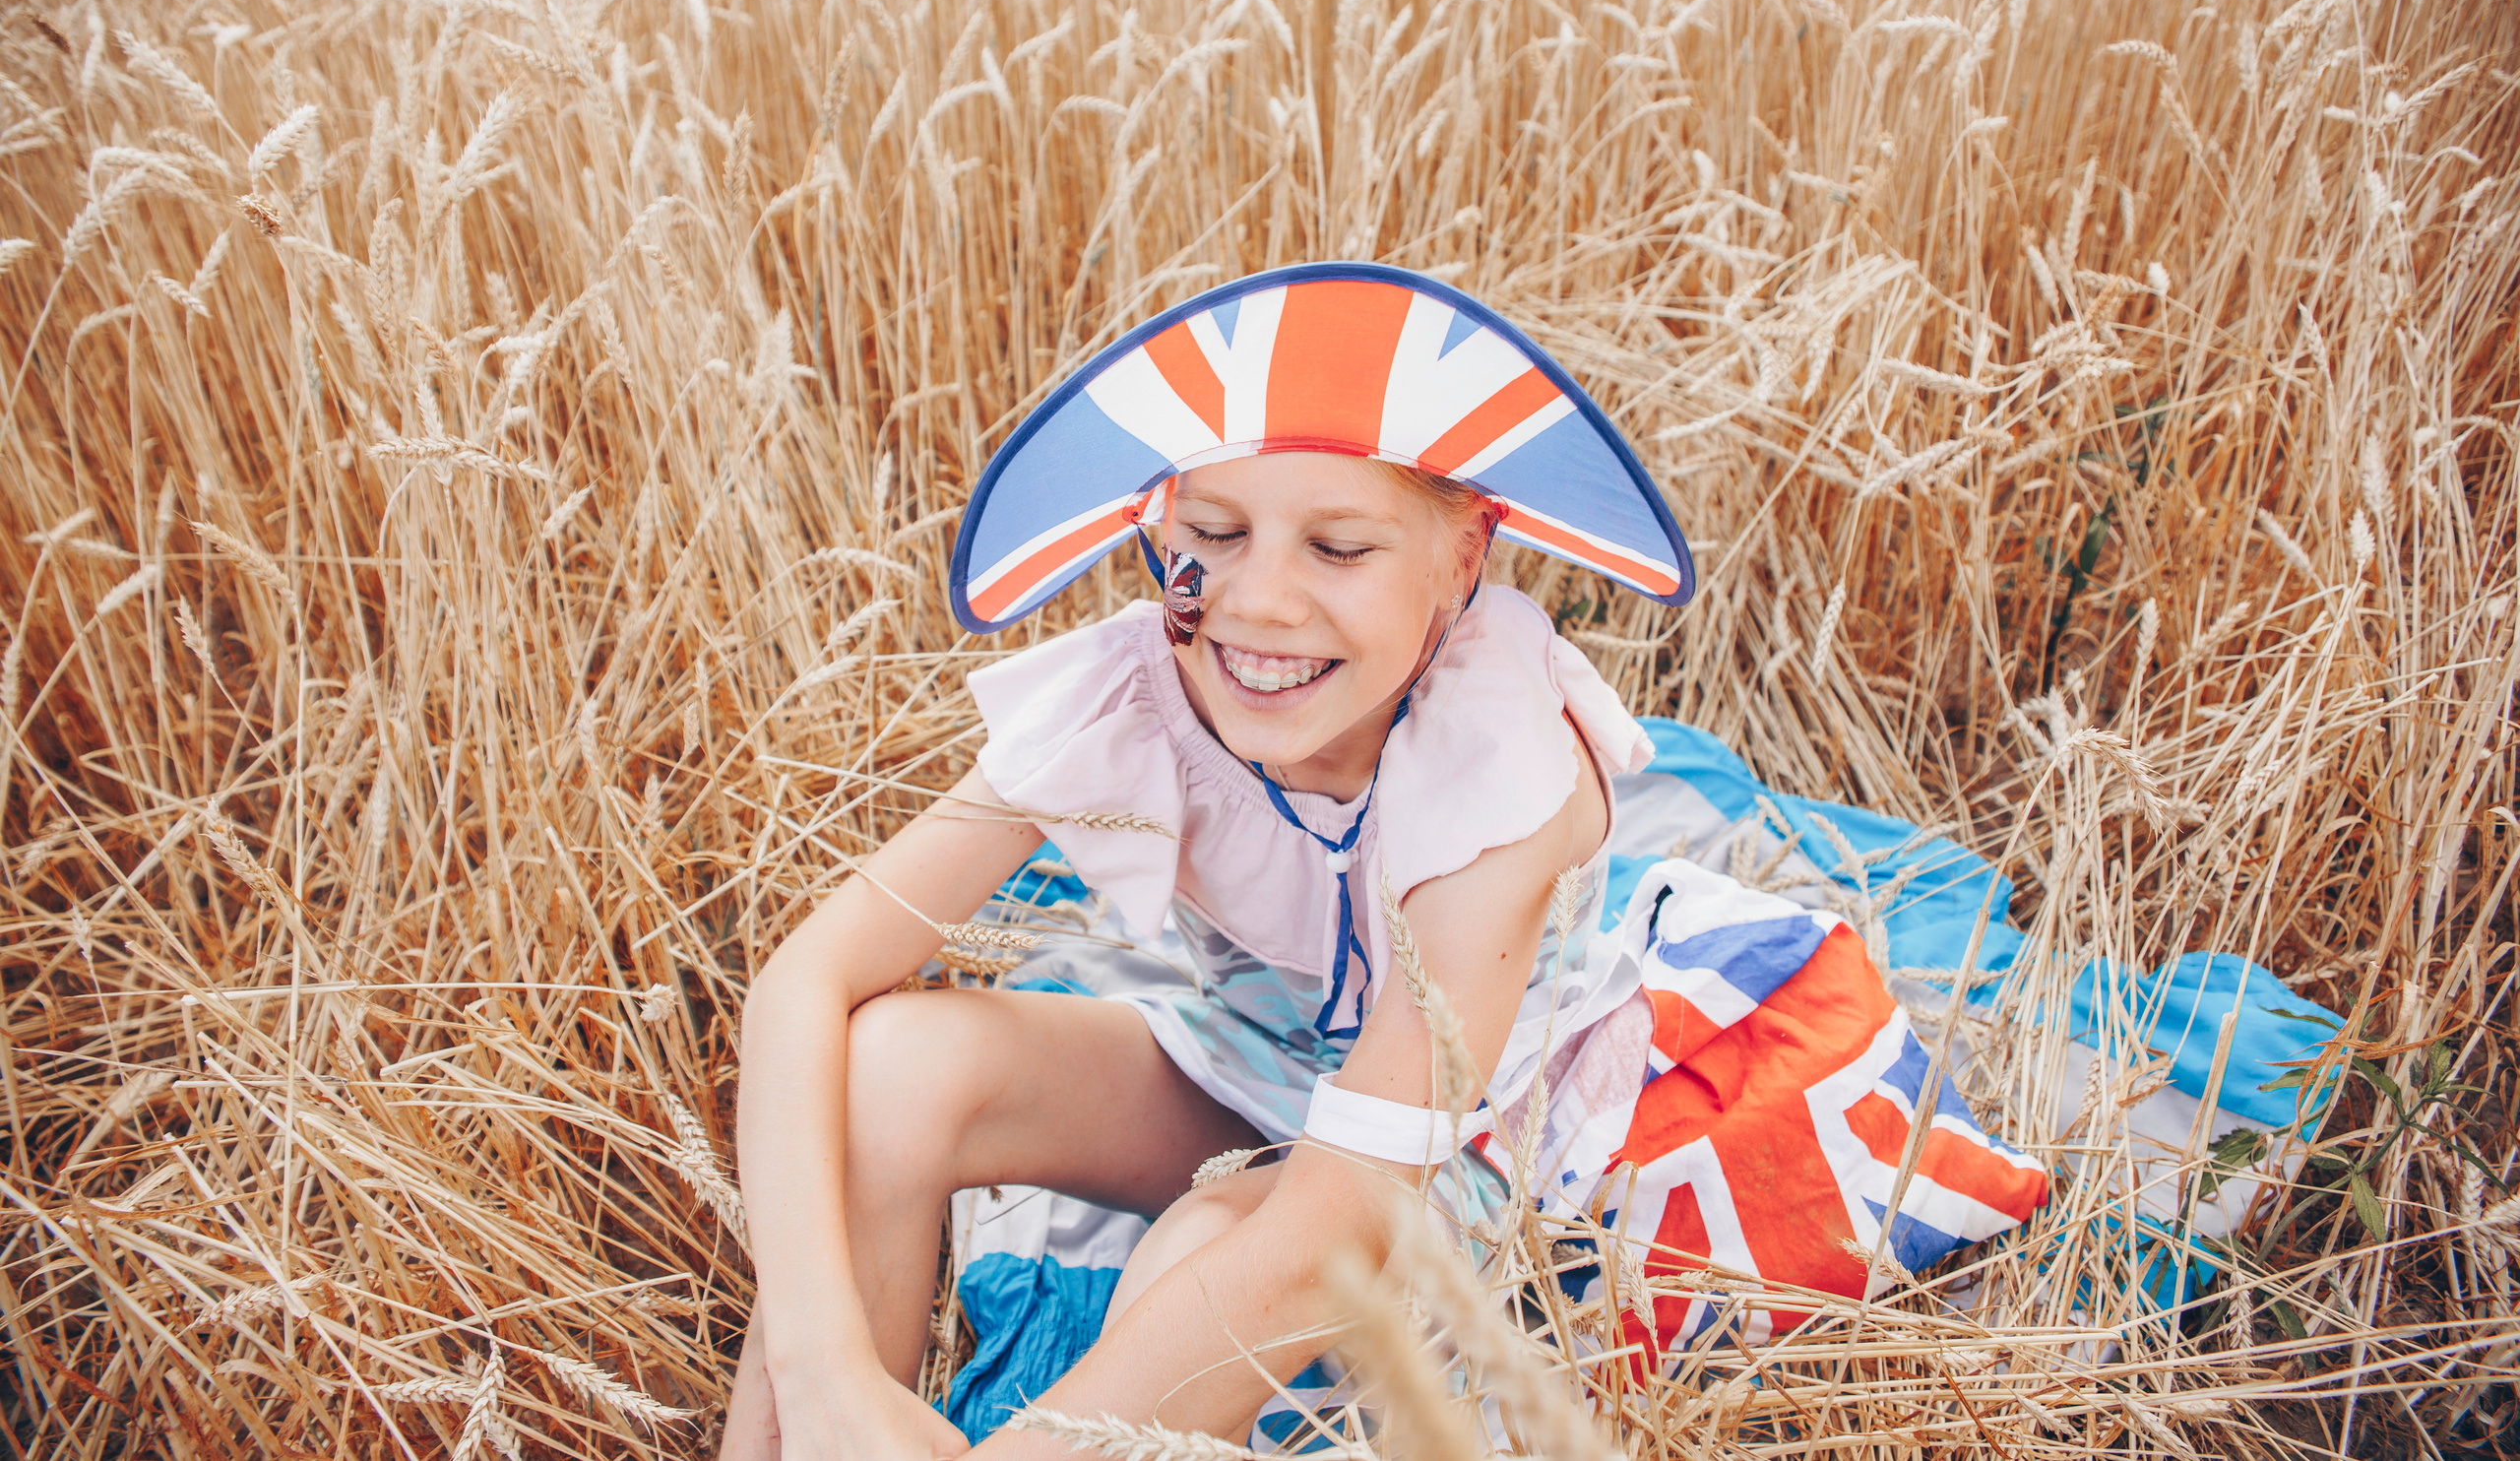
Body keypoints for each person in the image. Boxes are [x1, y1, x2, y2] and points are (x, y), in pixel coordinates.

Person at [718, 266, 2044, 1461]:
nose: (1260, 601)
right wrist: (821, 1366)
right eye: (1214, 535)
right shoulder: (1138, 690)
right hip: (1244, 1064)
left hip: (1462, 1145)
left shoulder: (1494, 781)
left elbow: (1332, 1228)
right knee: (885, 1067)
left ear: (1462, 558)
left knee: (1199, 1262)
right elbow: (807, 981)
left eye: (1340, 547)